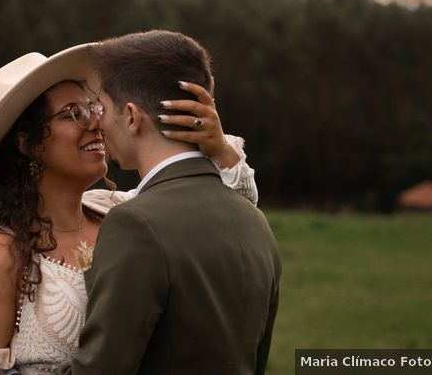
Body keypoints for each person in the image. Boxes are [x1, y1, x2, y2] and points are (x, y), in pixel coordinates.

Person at [0, 42, 259, 374]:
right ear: (27, 144)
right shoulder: (0, 257)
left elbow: (232, 218)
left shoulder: (124, 213)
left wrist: (219, 149)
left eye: (94, 108)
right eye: (74, 114)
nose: (96, 124)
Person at [57, 30, 281, 375]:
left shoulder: (135, 223)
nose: (97, 122)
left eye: (101, 107)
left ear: (131, 117)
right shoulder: (255, 222)